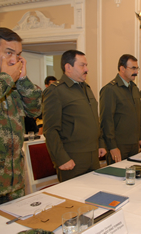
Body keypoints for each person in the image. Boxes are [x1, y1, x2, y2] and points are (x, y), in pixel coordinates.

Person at [0, 27, 42, 213]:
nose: (14, 60)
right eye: (9, 53)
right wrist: (5, 79)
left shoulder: (12, 79)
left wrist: (23, 80)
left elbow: (35, 109)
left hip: (13, 182)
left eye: (18, 55)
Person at [43, 50, 106, 182]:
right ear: (68, 67)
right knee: (74, 200)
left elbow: (95, 120)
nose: (87, 69)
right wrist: (62, 159)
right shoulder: (56, 91)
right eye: (82, 65)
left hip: (93, 156)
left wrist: (101, 143)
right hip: (72, 158)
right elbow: (50, 130)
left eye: (86, 65)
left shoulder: (86, 88)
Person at [100, 54, 141, 164]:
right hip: (119, 145)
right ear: (122, 69)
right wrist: (112, 146)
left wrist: (140, 138)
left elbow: (138, 116)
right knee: (118, 178)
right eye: (133, 68)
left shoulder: (134, 88)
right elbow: (107, 121)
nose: (136, 72)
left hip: (133, 144)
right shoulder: (110, 89)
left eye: (137, 68)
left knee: (134, 176)